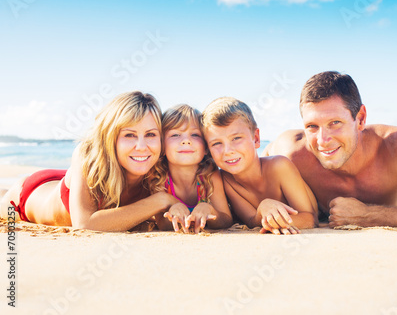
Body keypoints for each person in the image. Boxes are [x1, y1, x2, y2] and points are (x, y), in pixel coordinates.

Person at [263, 71, 397, 229]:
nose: (323, 140)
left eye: (335, 123)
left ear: (360, 119)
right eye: (312, 126)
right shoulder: (292, 152)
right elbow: (243, 174)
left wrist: (368, 216)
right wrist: (265, 204)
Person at [0, 91, 178, 231]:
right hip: (29, 195)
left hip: (71, 180)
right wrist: (160, 201)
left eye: (151, 134)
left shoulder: (160, 168)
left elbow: (167, 222)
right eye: (129, 135)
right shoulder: (87, 154)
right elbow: (85, 224)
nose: (141, 146)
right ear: (111, 138)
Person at [202, 97, 318, 235]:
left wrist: (270, 213)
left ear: (256, 139)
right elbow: (251, 221)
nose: (228, 151)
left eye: (236, 138)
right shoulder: (227, 181)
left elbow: (311, 219)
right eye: (216, 143)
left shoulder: (279, 166)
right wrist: (263, 210)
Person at [155, 104, 233, 233]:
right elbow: (162, 225)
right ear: (162, 146)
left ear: (206, 147)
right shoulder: (158, 178)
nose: (186, 141)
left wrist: (209, 210)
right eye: (175, 135)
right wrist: (172, 212)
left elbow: (226, 220)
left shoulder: (210, 175)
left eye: (195, 135)